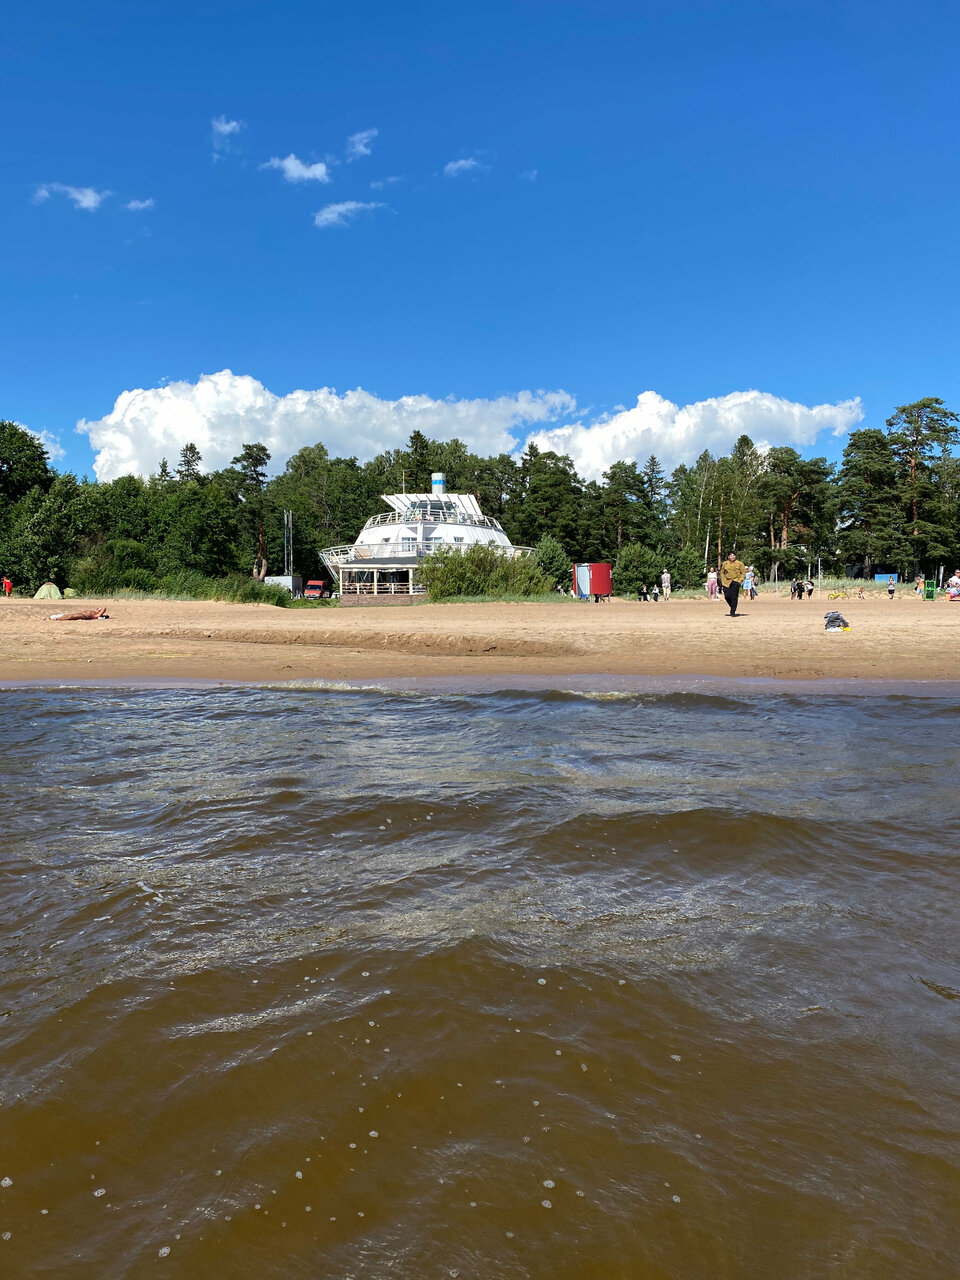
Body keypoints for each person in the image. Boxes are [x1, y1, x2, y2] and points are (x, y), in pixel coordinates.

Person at [719, 552, 746, 617]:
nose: (733, 557)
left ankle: (733, 611)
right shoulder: (725, 563)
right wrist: (723, 581)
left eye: (734, 555)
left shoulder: (740, 563)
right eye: (731, 556)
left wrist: (740, 580)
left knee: (734, 597)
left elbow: (743, 572)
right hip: (727, 582)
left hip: (735, 581)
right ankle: (733, 606)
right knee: (727, 596)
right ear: (728, 557)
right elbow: (722, 573)